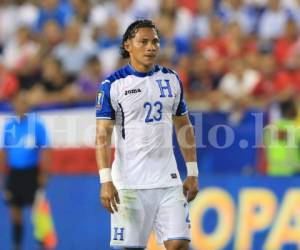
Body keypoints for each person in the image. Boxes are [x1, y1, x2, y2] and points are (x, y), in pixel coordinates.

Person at [95, 19, 199, 250]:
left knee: (179, 244)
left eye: (155, 41)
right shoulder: (113, 85)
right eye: (143, 42)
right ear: (128, 45)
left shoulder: (171, 79)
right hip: (129, 184)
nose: (151, 47)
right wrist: (105, 180)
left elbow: (184, 126)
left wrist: (192, 171)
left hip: (168, 181)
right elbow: (102, 135)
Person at [0, 90, 51, 250]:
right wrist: (4, 178)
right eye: (18, 102)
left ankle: (44, 245)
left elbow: (46, 150)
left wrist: (44, 174)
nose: (20, 105)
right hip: (14, 175)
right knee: (15, 213)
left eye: (24, 102)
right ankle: (17, 245)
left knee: (38, 214)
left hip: (32, 173)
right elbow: (4, 152)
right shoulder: (9, 126)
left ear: (28, 105)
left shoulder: (37, 124)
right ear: (13, 105)